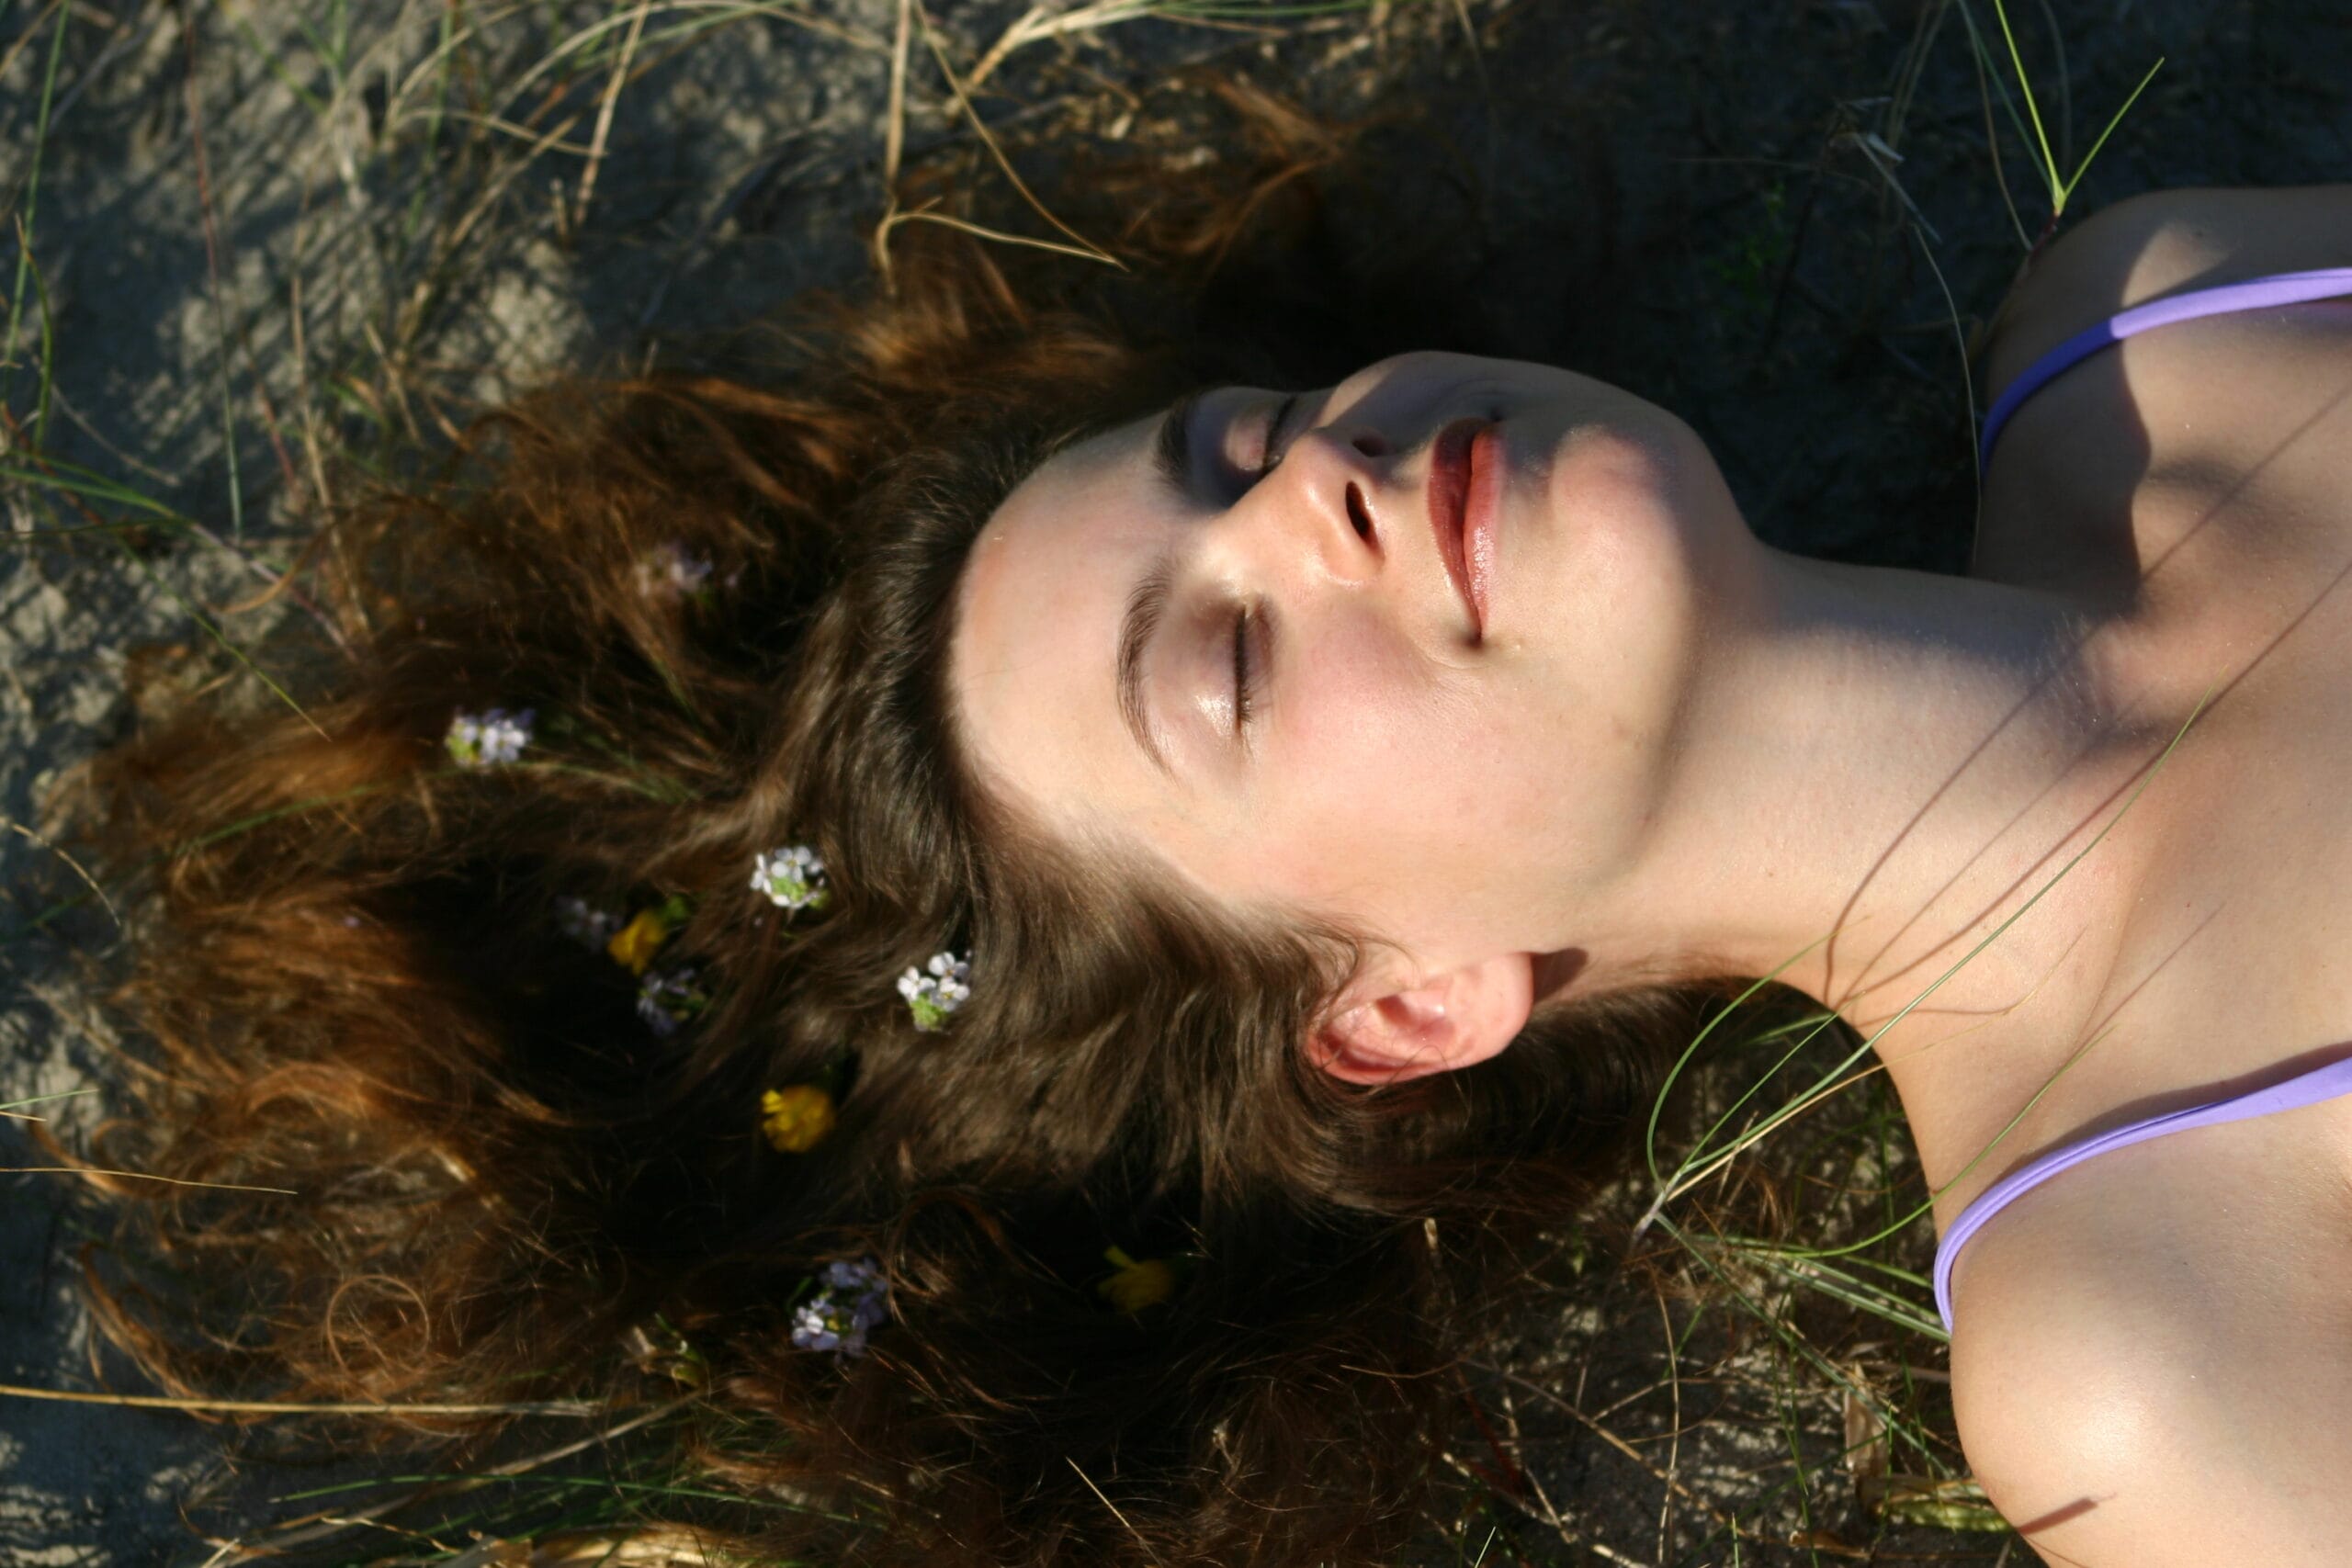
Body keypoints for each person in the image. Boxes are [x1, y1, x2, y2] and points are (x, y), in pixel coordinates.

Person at [69, 169, 2352, 1568]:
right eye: (1228, 667)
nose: (1306, 494)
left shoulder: (2157, 322)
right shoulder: (2127, 1343)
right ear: (1401, 1005)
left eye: (1238, 448)